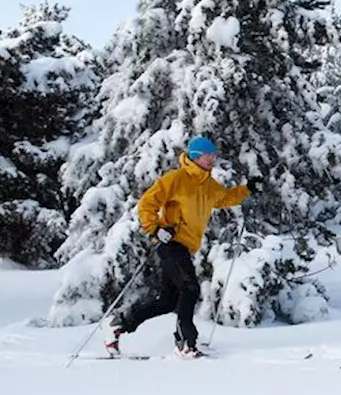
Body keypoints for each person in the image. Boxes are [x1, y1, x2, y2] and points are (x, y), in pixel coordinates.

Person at [103, 136, 254, 358]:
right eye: (208, 155)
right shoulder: (177, 179)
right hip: (170, 242)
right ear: (195, 156)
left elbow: (224, 198)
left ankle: (119, 324)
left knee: (168, 300)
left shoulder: (208, 184)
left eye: (213, 155)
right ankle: (186, 343)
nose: (212, 159)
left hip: (185, 246)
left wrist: (248, 189)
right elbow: (148, 202)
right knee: (189, 287)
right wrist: (155, 229)